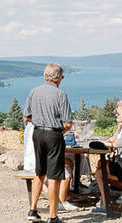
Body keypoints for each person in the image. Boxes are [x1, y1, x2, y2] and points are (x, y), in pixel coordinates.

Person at [23, 63, 73, 223]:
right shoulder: (60, 94)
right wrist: (61, 132)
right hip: (54, 135)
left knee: (39, 173)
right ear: (58, 78)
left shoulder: (33, 92)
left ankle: (33, 210)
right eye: (62, 77)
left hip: (37, 133)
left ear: (45, 76)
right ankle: (53, 216)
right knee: (54, 176)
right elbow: (68, 123)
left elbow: (26, 117)